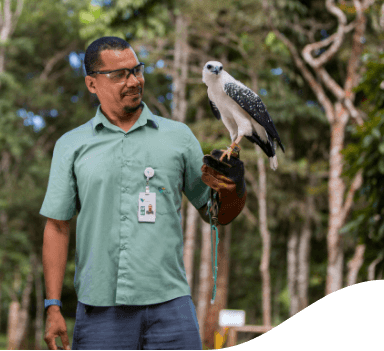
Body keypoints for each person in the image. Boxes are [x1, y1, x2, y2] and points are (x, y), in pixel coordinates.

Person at [40, 37, 245, 350]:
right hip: (99, 312)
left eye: (137, 70)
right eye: (120, 75)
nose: (134, 81)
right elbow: (56, 226)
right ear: (92, 84)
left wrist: (235, 189)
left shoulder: (178, 137)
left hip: (171, 307)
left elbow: (216, 214)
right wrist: (53, 306)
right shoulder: (71, 145)